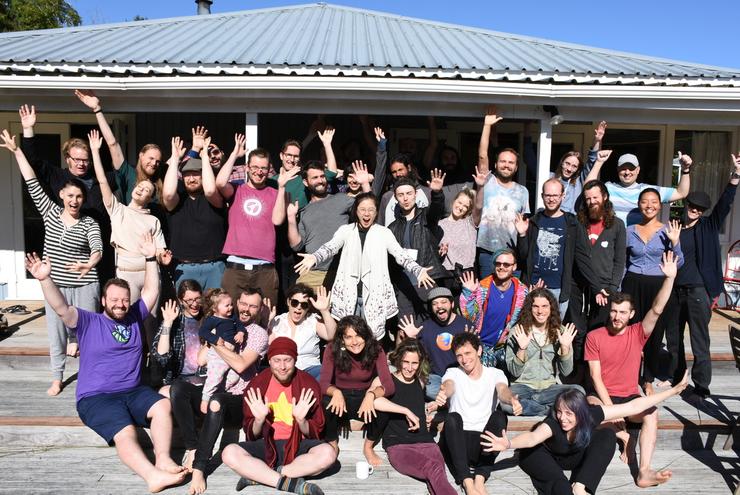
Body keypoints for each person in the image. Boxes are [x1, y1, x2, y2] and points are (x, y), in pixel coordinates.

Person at [26, 233, 187, 492]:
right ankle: (152, 477)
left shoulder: (135, 315)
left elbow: (151, 290)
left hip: (133, 392)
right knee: (126, 432)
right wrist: (45, 279)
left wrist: (149, 258)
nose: (120, 304)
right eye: (114, 300)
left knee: (162, 406)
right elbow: (62, 308)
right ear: (103, 301)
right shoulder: (89, 322)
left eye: (124, 299)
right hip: (96, 397)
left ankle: (164, 460)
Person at [1, 129, 102, 397]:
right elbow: (31, 180)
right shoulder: (50, 214)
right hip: (55, 285)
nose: (75, 200)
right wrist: (16, 150)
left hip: (85, 284)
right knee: (55, 332)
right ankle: (57, 377)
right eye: (70, 196)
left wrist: (90, 264)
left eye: (79, 197)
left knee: (87, 334)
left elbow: (98, 248)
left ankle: (89, 377)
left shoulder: (90, 222)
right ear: (62, 196)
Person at [480, 375, 689, 495]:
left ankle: (582, 486)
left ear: (580, 412)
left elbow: (633, 405)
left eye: (569, 413)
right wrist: (508, 444)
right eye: (560, 412)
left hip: (573, 456)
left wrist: (672, 391)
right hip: (540, 456)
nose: (563, 418)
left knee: (607, 435)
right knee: (559, 485)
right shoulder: (553, 422)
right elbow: (532, 438)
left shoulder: (591, 414)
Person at [586, 251, 679, 488]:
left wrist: (669, 278)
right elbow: (596, 378)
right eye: (614, 311)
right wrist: (613, 411)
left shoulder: (638, 333)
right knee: (589, 410)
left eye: (623, 312)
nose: (617, 317)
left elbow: (657, 309)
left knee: (652, 413)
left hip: (630, 397)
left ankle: (644, 471)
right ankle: (625, 436)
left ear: (632, 314)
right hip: (602, 396)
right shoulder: (594, 336)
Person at [294, 192, 434, 341]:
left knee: (370, 342)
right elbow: (330, 247)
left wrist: (418, 270)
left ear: (376, 212)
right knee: (348, 338)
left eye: (371, 210)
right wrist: (315, 257)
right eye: (363, 209)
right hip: (349, 296)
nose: (366, 214)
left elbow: (401, 255)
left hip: (374, 296)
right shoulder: (345, 231)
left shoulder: (383, 233)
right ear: (356, 211)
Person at [665, 152, 740, 398]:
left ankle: (701, 386)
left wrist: (735, 177)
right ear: (685, 206)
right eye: (692, 207)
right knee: (674, 339)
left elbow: (725, 204)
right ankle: (677, 379)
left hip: (699, 291)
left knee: (699, 340)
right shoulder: (674, 228)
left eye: (700, 209)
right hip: (675, 291)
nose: (695, 211)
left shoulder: (709, 225)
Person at [222, 337, 337, 495]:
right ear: (269, 361)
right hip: (267, 444)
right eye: (277, 360)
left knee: (328, 454)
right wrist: (259, 420)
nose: (282, 367)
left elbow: (316, 433)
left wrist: (302, 421)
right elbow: (251, 435)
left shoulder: (308, 384)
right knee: (229, 453)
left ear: (295, 360)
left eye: (287, 360)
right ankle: (288, 483)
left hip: (298, 445)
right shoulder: (256, 386)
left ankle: (262, 475)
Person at [19, 102, 116, 280]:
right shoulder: (57, 176)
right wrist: (28, 129)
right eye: (77, 159)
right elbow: (33, 161)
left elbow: (122, 171)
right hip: (66, 252)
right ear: (67, 158)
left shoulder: (102, 179)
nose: (81, 164)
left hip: (98, 249)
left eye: (85, 160)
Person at [188, 288, 269, 494]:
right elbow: (201, 360)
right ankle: (191, 448)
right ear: (236, 302)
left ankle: (199, 468)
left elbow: (241, 365)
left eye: (253, 306)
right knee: (179, 389)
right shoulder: (222, 321)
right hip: (215, 385)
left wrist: (217, 344)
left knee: (216, 400)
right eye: (243, 303)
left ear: (260, 310)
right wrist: (214, 338)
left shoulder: (258, 334)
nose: (246, 309)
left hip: (237, 398)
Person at [435, 332, 521, 495]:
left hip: (482, 445)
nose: (464, 359)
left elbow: (503, 391)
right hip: (457, 443)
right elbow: (448, 385)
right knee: (452, 418)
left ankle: (480, 478)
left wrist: (512, 400)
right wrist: (443, 393)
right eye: (459, 355)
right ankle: (467, 482)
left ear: (479, 351)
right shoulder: (453, 372)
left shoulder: (495, 373)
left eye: (468, 353)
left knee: (500, 416)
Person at [369, 339, 457, 495]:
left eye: (414, 363)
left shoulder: (421, 380)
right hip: (399, 445)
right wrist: (405, 411)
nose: (409, 368)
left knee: (437, 478)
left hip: (427, 443)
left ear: (420, 362)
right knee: (434, 469)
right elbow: (373, 402)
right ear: (398, 359)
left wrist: (428, 410)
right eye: (405, 362)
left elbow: (414, 400)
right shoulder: (386, 380)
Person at [89, 129, 166, 303]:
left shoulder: (153, 220)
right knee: (128, 317)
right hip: (125, 273)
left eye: (147, 189)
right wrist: (95, 151)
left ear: (149, 198)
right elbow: (102, 180)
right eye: (140, 186)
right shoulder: (117, 210)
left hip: (150, 272)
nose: (141, 189)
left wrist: (163, 257)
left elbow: (160, 249)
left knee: (150, 321)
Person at [216, 145, 299, 303]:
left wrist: (281, 187)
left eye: (263, 168)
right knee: (228, 316)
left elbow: (277, 220)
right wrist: (234, 154)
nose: (259, 171)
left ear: (269, 170)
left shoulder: (277, 193)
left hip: (265, 268)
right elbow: (220, 183)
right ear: (247, 167)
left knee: (266, 318)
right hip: (235, 267)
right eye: (254, 167)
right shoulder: (236, 189)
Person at [514, 178, 603, 318]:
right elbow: (523, 256)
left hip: (558, 289)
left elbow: (583, 258)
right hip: (532, 286)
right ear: (542, 196)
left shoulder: (572, 224)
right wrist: (522, 234)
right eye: (548, 195)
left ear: (563, 196)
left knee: (553, 332)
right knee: (530, 330)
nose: (551, 199)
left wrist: (597, 286)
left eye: (555, 195)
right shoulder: (532, 222)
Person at [622, 188, 683, 393]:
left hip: (658, 285)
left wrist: (675, 243)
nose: (649, 205)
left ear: (660, 205)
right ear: (639, 205)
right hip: (632, 283)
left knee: (655, 333)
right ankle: (630, 376)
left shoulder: (668, 230)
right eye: (645, 202)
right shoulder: (629, 230)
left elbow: (679, 262)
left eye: (654, 202)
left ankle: (647, 377)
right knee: (631, 331)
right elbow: (622, 263)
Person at [318, 316, 395, 467]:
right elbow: (323, 383)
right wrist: (336, 392)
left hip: (364, 397)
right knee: (324, 402)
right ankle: (333, 444)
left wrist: (371, 395)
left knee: (385, 406)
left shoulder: (376, 350)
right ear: (342, 339)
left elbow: (389, 385)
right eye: (348, 337)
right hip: (341, 400)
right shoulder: (331, 349)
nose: (354, 342)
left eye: (358, 335)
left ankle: (368, 446)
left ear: (365, 335)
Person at [150, 280, 208, 470]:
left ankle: (192, 447)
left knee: (177, 393)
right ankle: (193, 448)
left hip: (206, 383)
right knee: (169, 392)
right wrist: (167, 322)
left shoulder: (209, 319)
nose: (194, 304)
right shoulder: (175, 322)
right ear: (180, 301)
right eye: (188, 300)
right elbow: (161, 357)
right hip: (180, 383)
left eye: (197, 298)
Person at [287, 161, 371, 288]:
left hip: (342, 272)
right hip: (313, 272)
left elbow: (368, 208)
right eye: (315, 177)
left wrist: (365, 184)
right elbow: (296, 246)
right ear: (305, 182)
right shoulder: (304, 211)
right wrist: (291, 218)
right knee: (299, 301)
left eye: (322, 176)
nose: (320, 180)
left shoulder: (341, 199)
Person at [586, 127, 694, 225]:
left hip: (636, 243)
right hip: (612, 241)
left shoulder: (647, 191)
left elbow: (681, 193)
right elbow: (588, 188)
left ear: (638, 170)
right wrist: (599, 162)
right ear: (618, 170)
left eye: (631, 168)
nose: (627, 172)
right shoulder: (609, 188)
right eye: (623, 168)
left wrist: (685, 170)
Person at [162, 135, 228, 291]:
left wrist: (204, 156)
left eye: (196, 174)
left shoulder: (214, 199)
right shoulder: (177, 200)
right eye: (187, 174)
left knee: (216, 312)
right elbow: (168, 195)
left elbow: (210, 190)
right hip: (184, 268)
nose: (191, 178)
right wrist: (175, 160)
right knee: (187, 313)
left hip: (214, 267)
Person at [74, 90, 163, 205]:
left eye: (158, 161)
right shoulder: (128, 173)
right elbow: (112, 144)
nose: (154, 163)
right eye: (151, 158)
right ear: (141, 155)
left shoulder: (160, 180)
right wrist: (97, 110)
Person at [569, 180, 626, 357]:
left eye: (595, 197)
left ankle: (596, 369)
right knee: (577, 330)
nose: (592, 201)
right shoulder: (578, 223)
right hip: (578, 285)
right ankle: (578, 369)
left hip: (605, 287)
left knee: (599, 330)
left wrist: (612, 287)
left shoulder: (616, 225)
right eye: (588, 198)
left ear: (605, 197)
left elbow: (619, 260)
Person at [504, 288, 582, 416]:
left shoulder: (561, 331)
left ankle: (535, 403)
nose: (540, 311)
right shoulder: (517, 331)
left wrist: (565, 347)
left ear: (551, 308)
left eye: (545, 306)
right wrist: (522, 349)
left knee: (578, 391)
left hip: (549, 389)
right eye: (536, 306)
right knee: (505, 403)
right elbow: (514, 371)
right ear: (530, 308)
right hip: (522, 386)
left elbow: (566, 371)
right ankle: (548, 410)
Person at [474, 107, 529, 278]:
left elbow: (523, 225)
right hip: (487, 252)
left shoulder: (523, 191)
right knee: (486, 298)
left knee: (513, 301)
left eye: (511, 162)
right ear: (496, 165)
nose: (507, 165)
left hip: (512, 254)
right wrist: (487, 125)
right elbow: (483, 155)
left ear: (516, 167)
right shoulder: (488, 181)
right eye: (503, 161)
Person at [388, 173, 450, 323]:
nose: (405, 198)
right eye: (401, 195)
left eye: (409, 193)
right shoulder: (392, 228)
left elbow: (437, 208)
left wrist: (436, 193)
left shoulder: (426, 217)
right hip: (404, 285)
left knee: (430, 326)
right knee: (406, 329)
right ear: (396, 198)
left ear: (415, 194)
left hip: (428, 279)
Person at [459, 249, 527, 368]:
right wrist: (468, 294)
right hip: (482, 345)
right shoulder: (482, 287)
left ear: (514, 267)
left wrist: (534, 297)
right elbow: (470, 317)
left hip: (505, 346)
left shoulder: (522, 291)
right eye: (498, 263)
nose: (501, 267)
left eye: (506, 264)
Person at [397, 287, 468, 401]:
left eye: (443, 302)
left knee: (466, 388)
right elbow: (404, 354)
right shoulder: (424, 327)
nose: (439, 306)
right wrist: (410, 339)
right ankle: (452, 400)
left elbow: (475, 355)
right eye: (435, 303)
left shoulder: (464, 325)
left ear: (452, 304)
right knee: (429, 391)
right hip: (436, 377)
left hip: (460, 375)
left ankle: (447, 400)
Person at [268, 284, 337, 380]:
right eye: (295, 303)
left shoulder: (313, 320)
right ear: (288, 302)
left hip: (310, 369)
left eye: (304, 304)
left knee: (325, 374)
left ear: (308, 307)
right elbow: (265, 347)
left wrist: (325, 311)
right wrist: (266, 323)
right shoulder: (277, 321)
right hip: (283, 369)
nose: (299, 307)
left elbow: (332, 336)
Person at [551, 121, 607, 214]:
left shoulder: (578, 181)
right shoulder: (550, 177)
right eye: (567, 163)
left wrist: (597, 140)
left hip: (572, 224)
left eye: (574, 166)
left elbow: (591, 161)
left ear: (577, 169)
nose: (569, 169)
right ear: (562, 163)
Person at [374, 145, 432, 226]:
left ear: (409, 168)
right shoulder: (387, 197)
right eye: (394, 172)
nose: (398, 174)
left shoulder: (427, 193)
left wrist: (437, 193)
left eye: (400, 170)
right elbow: (380, 225)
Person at [438, 188, 477, 278]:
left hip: (467, 274)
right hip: (447, 274)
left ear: (468, 210)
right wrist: (440, 251)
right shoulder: (440, 224)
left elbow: (479, 207)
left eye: (465, 206)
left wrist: (480, 186)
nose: (460, 207)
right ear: (454, 200)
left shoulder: (470, 223)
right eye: (459, 202)